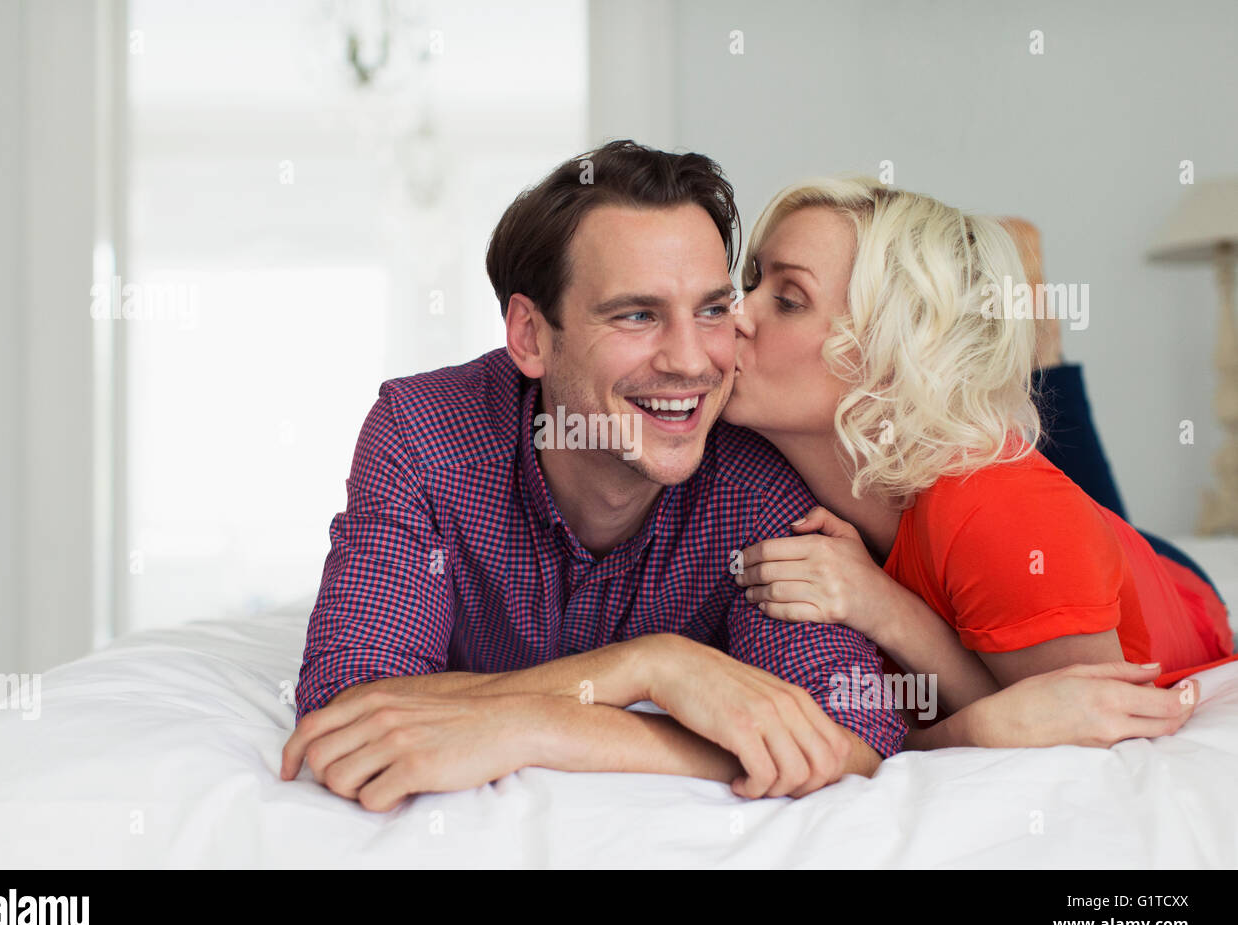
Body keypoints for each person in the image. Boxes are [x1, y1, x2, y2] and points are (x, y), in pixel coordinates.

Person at [282, 143, 1202, 811]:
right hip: (904, 505)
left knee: (1025, 468)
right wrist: (647, 672)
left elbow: (899, 730)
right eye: (638, 313)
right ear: (529, 334)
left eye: (726, 304)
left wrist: (540, 721)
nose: (705, 354)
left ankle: (1029, 315)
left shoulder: (795, 477)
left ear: (876, 352)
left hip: (1086, 560)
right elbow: (350, 702)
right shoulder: (427, 435)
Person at [727, 177, 1235, 747]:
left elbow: (1076, 730)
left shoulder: (1002, 515)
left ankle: (1042, 343)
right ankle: (1038, 345)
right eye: (750, 280)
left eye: (789, 299)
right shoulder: (745, 465)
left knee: (1034, 479)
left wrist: (886, 609)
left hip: (1170, 592)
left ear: (892, 354)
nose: (732, 313)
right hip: (1034, 534)